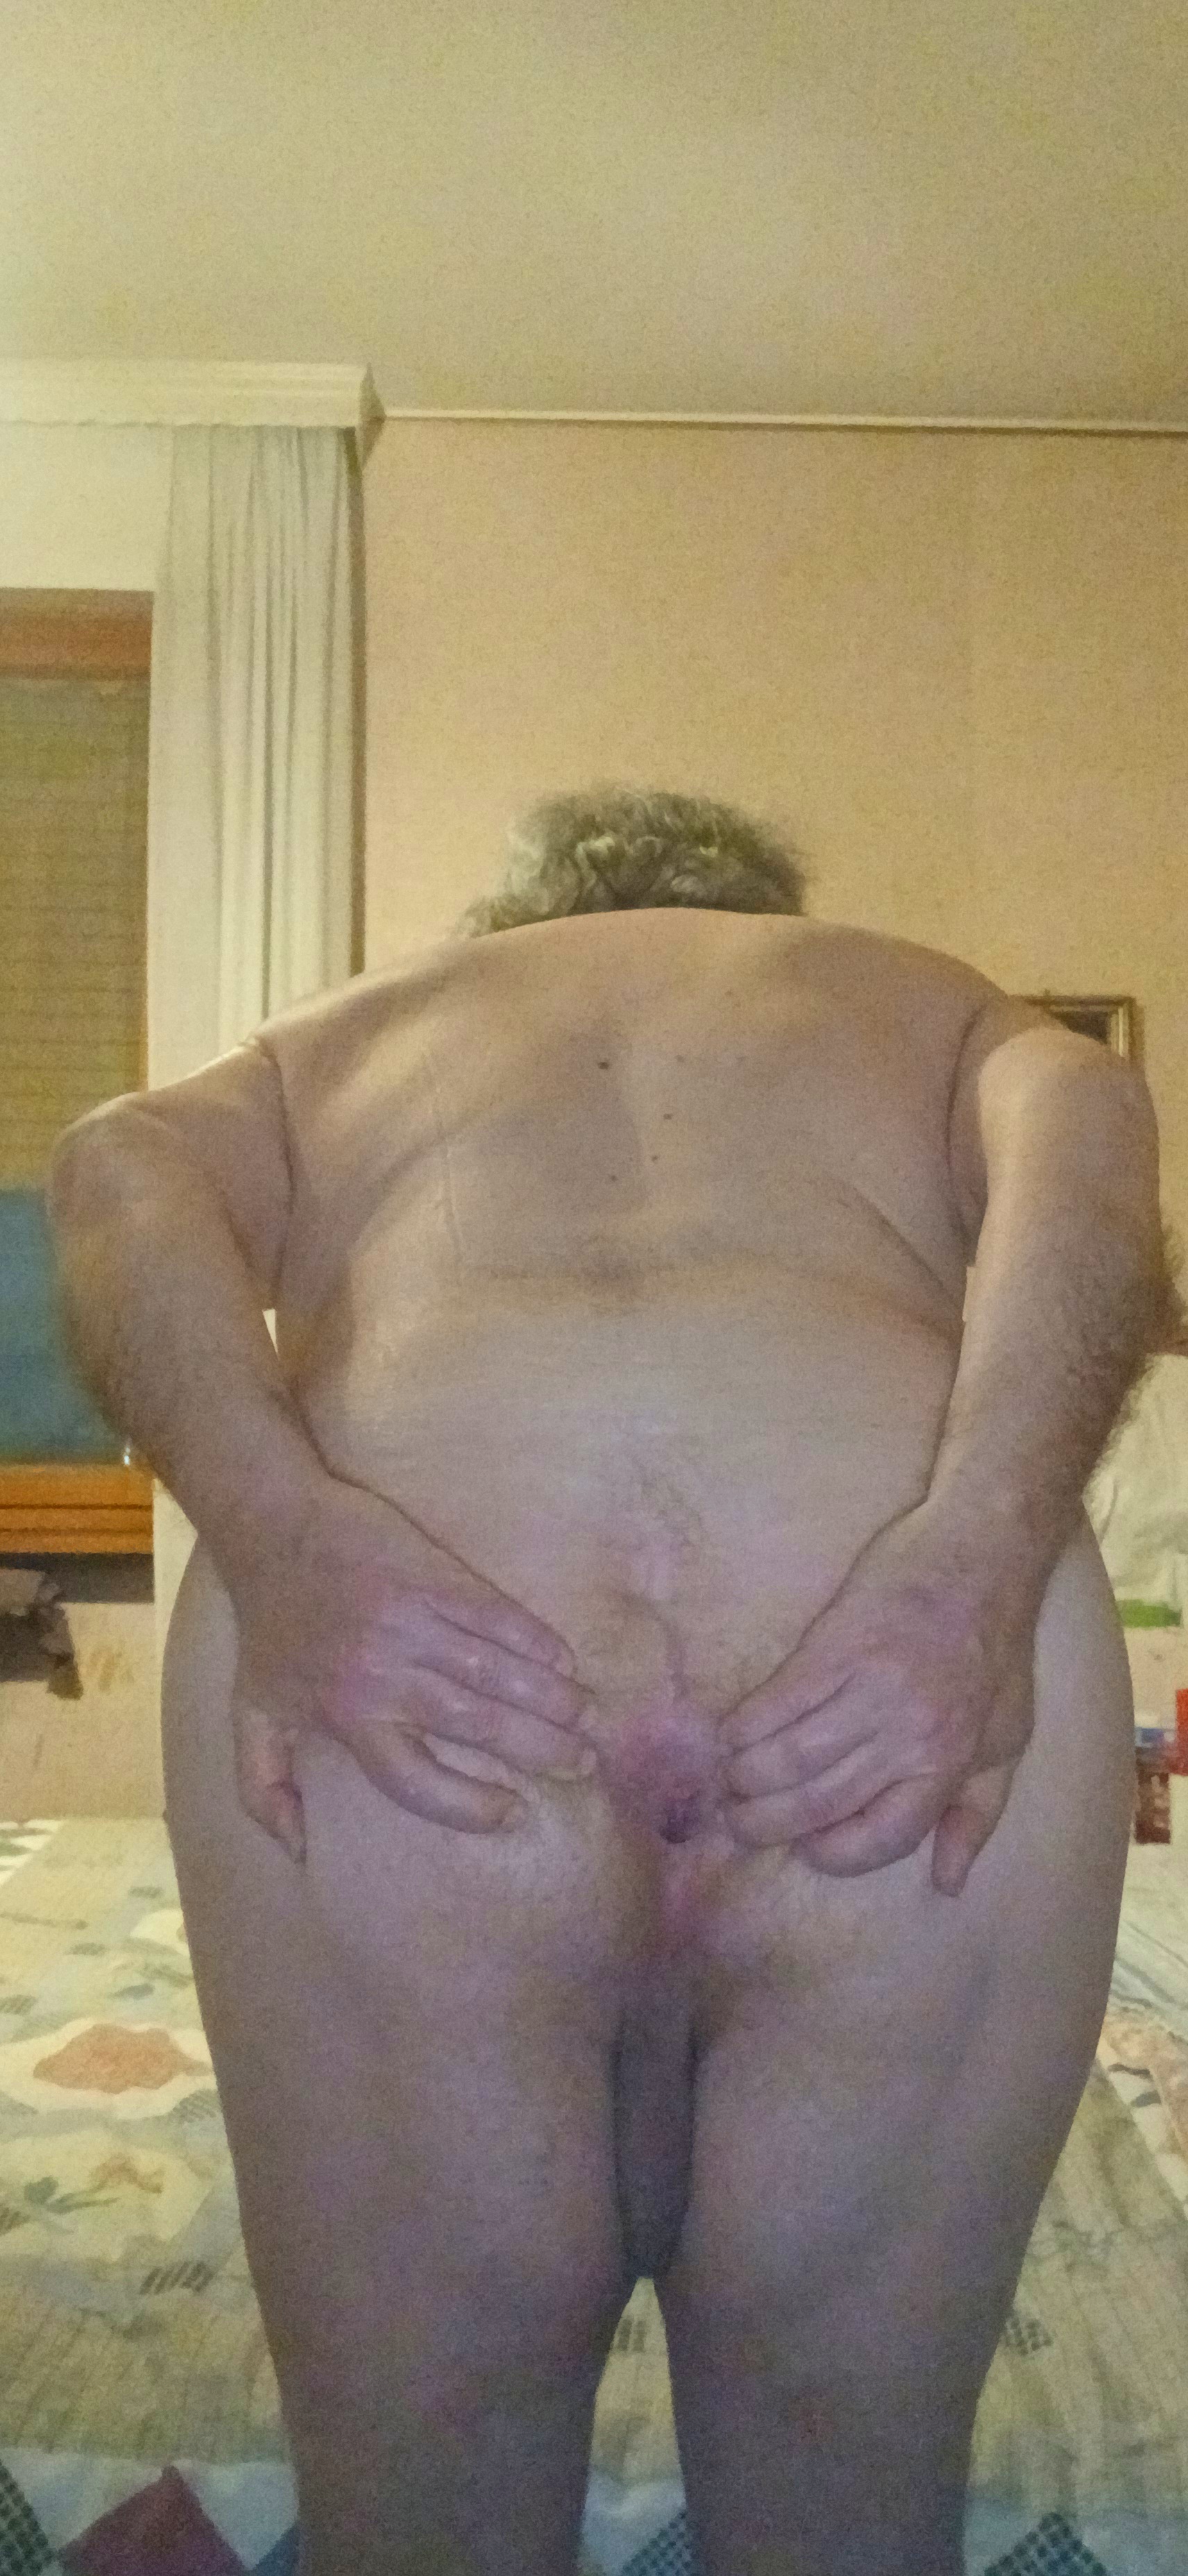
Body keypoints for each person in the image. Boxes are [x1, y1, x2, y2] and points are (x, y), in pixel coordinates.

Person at [47, 786, 1184, 2576]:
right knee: (849, 2487)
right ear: (769, 908)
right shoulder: (919, 998)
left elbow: (115, 1165)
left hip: (416, 1697)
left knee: (426, 2494)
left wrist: (282, 1531)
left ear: (512, 920)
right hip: (883, 1686)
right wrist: (977, 1559)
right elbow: (1096, 1127)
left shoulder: (346, 1035)